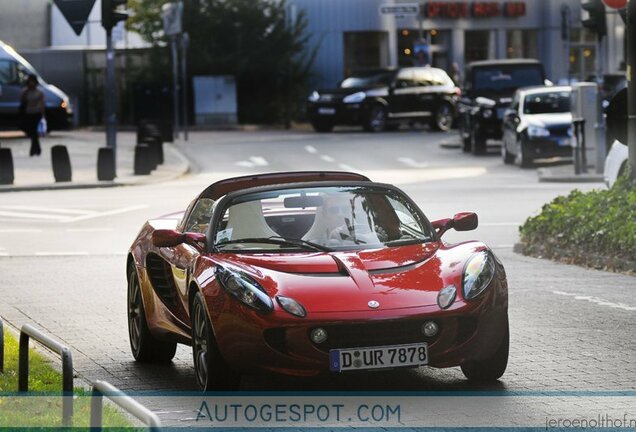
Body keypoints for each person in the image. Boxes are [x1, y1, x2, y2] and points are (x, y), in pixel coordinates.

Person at [20, 74, 45, 156]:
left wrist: (43, 114)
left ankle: (34, 149)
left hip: (36, 114)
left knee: (34, 132)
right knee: (32, 132)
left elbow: (42, 104)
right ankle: (37, 149)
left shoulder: (39, 93)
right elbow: (22, 102)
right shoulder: (25, 92)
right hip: (28, 113)